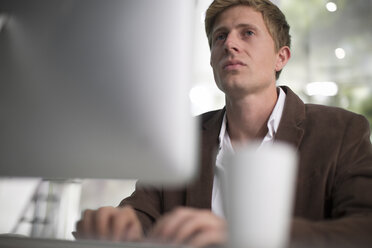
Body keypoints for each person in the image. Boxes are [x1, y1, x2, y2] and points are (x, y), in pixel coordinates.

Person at [75, 0, 372, 247]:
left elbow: (364, 228)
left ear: (281, 57)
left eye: (247, 33)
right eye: (220, 36)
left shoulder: (342, 131)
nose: (230, 44)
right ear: (212, 59)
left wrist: (249, 236)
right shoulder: (182, 138)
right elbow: (142, 211)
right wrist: (119, 223)